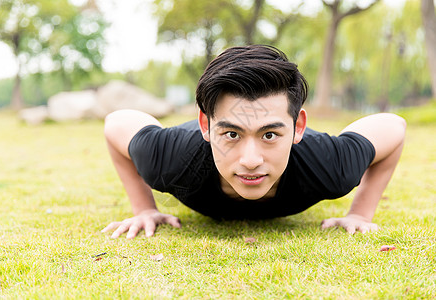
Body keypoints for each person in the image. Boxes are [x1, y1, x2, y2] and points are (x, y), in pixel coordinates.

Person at [102, 45, 406, 239]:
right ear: (205, 125)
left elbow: (393, 126)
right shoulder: (170, 159)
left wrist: (359, 214)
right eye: (232, 134)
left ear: (298, 126)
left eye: (269, 135)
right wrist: (144, 208)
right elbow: (116, 123)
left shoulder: (330, 165)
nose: (250, 160)